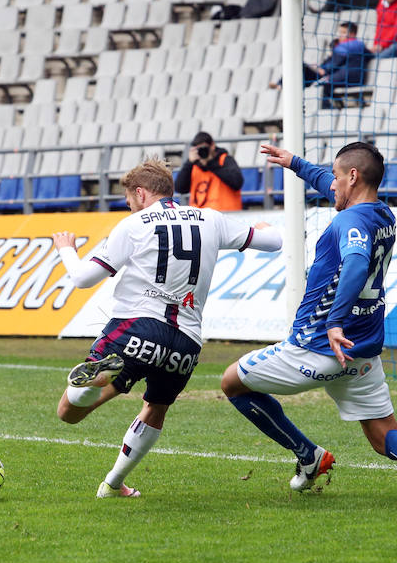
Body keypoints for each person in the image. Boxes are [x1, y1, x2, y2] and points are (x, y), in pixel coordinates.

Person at [220, 141, 397, 503]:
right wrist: (297, 164)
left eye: (334, 176)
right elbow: (344, 197)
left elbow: (357, 263)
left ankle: (307, 455)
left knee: (232, 382)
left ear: (353, 176)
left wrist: (334, 323)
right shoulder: (383, 215)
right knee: (383, 438)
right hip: (362, 354)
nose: (330, 184)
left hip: (318, 347)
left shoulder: (349, 221)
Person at [52, 158, 282, 498]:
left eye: (130, 201)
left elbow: (83, 278)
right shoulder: (211, 218)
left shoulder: (133, 226)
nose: (130, 208)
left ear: (141, 193)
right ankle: (113, 484)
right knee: (156, 407)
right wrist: (264, 228)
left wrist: (67, 251)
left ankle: (99, 378)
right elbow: (274, 242)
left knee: (67, 413)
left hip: (137, 325)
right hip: (186, 342)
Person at [174, 131, 243, 211]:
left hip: (225, 215)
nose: (203, 152)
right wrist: (189, 163)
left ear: (212, 146)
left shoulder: (225, 160)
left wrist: (211, 163)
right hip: (201, 217)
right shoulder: (193, 165)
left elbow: (237, 182)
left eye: (204, 148)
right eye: (199, 149)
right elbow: (180, 188)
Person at [315, 21, 371, 109]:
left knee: (323, 85)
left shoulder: (344, 47)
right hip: (359, 78)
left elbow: (332, 66)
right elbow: (370, 55)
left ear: (353, 34)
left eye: (344, 33)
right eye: (340, 32)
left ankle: (328, 111)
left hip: (347, 77)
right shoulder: (360, 45)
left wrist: (322, 69)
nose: (340, 35)